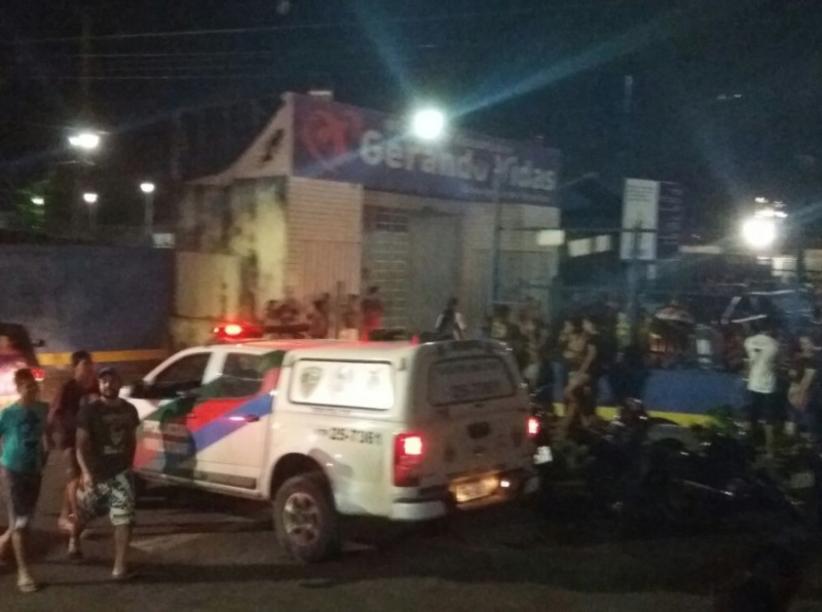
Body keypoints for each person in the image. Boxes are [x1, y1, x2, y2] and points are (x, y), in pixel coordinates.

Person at [67, 367, 140, 579]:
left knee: (124, 519)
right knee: (84, 514)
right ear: (99, 385)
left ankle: (119, 567)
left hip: (121, 473)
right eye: (103, 381)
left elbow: (132, 438)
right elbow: (80, 445)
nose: (108, 384)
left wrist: (130, 465)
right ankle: (74, 538)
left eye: (112, 380)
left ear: (119, 383)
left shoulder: (129, 410)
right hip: (96, 474)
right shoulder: (89, 411)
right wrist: (86, 473)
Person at [0, 369, 49, 593]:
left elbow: (46, 431)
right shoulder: (8, 414)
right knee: (21, 523)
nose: (33, 390)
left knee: (25, 519)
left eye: (34, 386)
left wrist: (46, 451)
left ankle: (2, 543)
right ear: (19, 388)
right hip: (13, 471)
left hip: (34, 470)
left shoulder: (42, 408)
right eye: (28, 387)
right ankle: (24, 573)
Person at [49, 349, 98, 549]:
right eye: (84, 365)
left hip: (87, 440)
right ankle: (77, 521)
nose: (89, 368)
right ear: (75, 368)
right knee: (75, 479)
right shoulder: (67, 388)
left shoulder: (94, 386)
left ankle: (64, 517)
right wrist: (54, 436)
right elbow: (55, 414)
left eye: (90, 364)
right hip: (69, 439)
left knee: (76, 480)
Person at [744, 320, 781, 457]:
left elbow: (748, 361)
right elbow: (777, 363)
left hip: (753, 383)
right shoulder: (774, 344)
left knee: (750, 417)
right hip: (768, 385)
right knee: (769, 420)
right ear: (769, 329)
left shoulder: (748, 341)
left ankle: (748, 445)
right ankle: (770, 450)